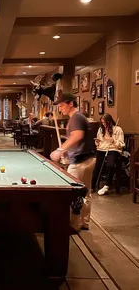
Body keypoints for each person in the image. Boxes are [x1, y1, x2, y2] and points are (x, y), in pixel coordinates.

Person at [50, 93, 95, 231]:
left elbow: (77, 136)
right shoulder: (79, 117)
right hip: (87, 159)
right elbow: (80, 141)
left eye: (62, 105)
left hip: (80, 162)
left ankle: (74, 225)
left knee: (73, 193)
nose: (60, 108)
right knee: (86, 192)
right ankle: (84, 222)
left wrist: (60, 150)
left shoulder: (76, 117)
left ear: (70, 104)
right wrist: (69, 155)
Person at [92, 114, 125, 195]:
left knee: (110, 164)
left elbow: (122, 144)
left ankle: (107, 185)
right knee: (96, 165)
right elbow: (99, 142)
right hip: (102, 149)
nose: (104, 124)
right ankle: (92, 186)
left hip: (113, 149)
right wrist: (97, 143)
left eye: (105, 123)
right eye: (102, 123)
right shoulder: (101, 129)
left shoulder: (118, 129)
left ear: (109, 121)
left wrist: (113, 141)